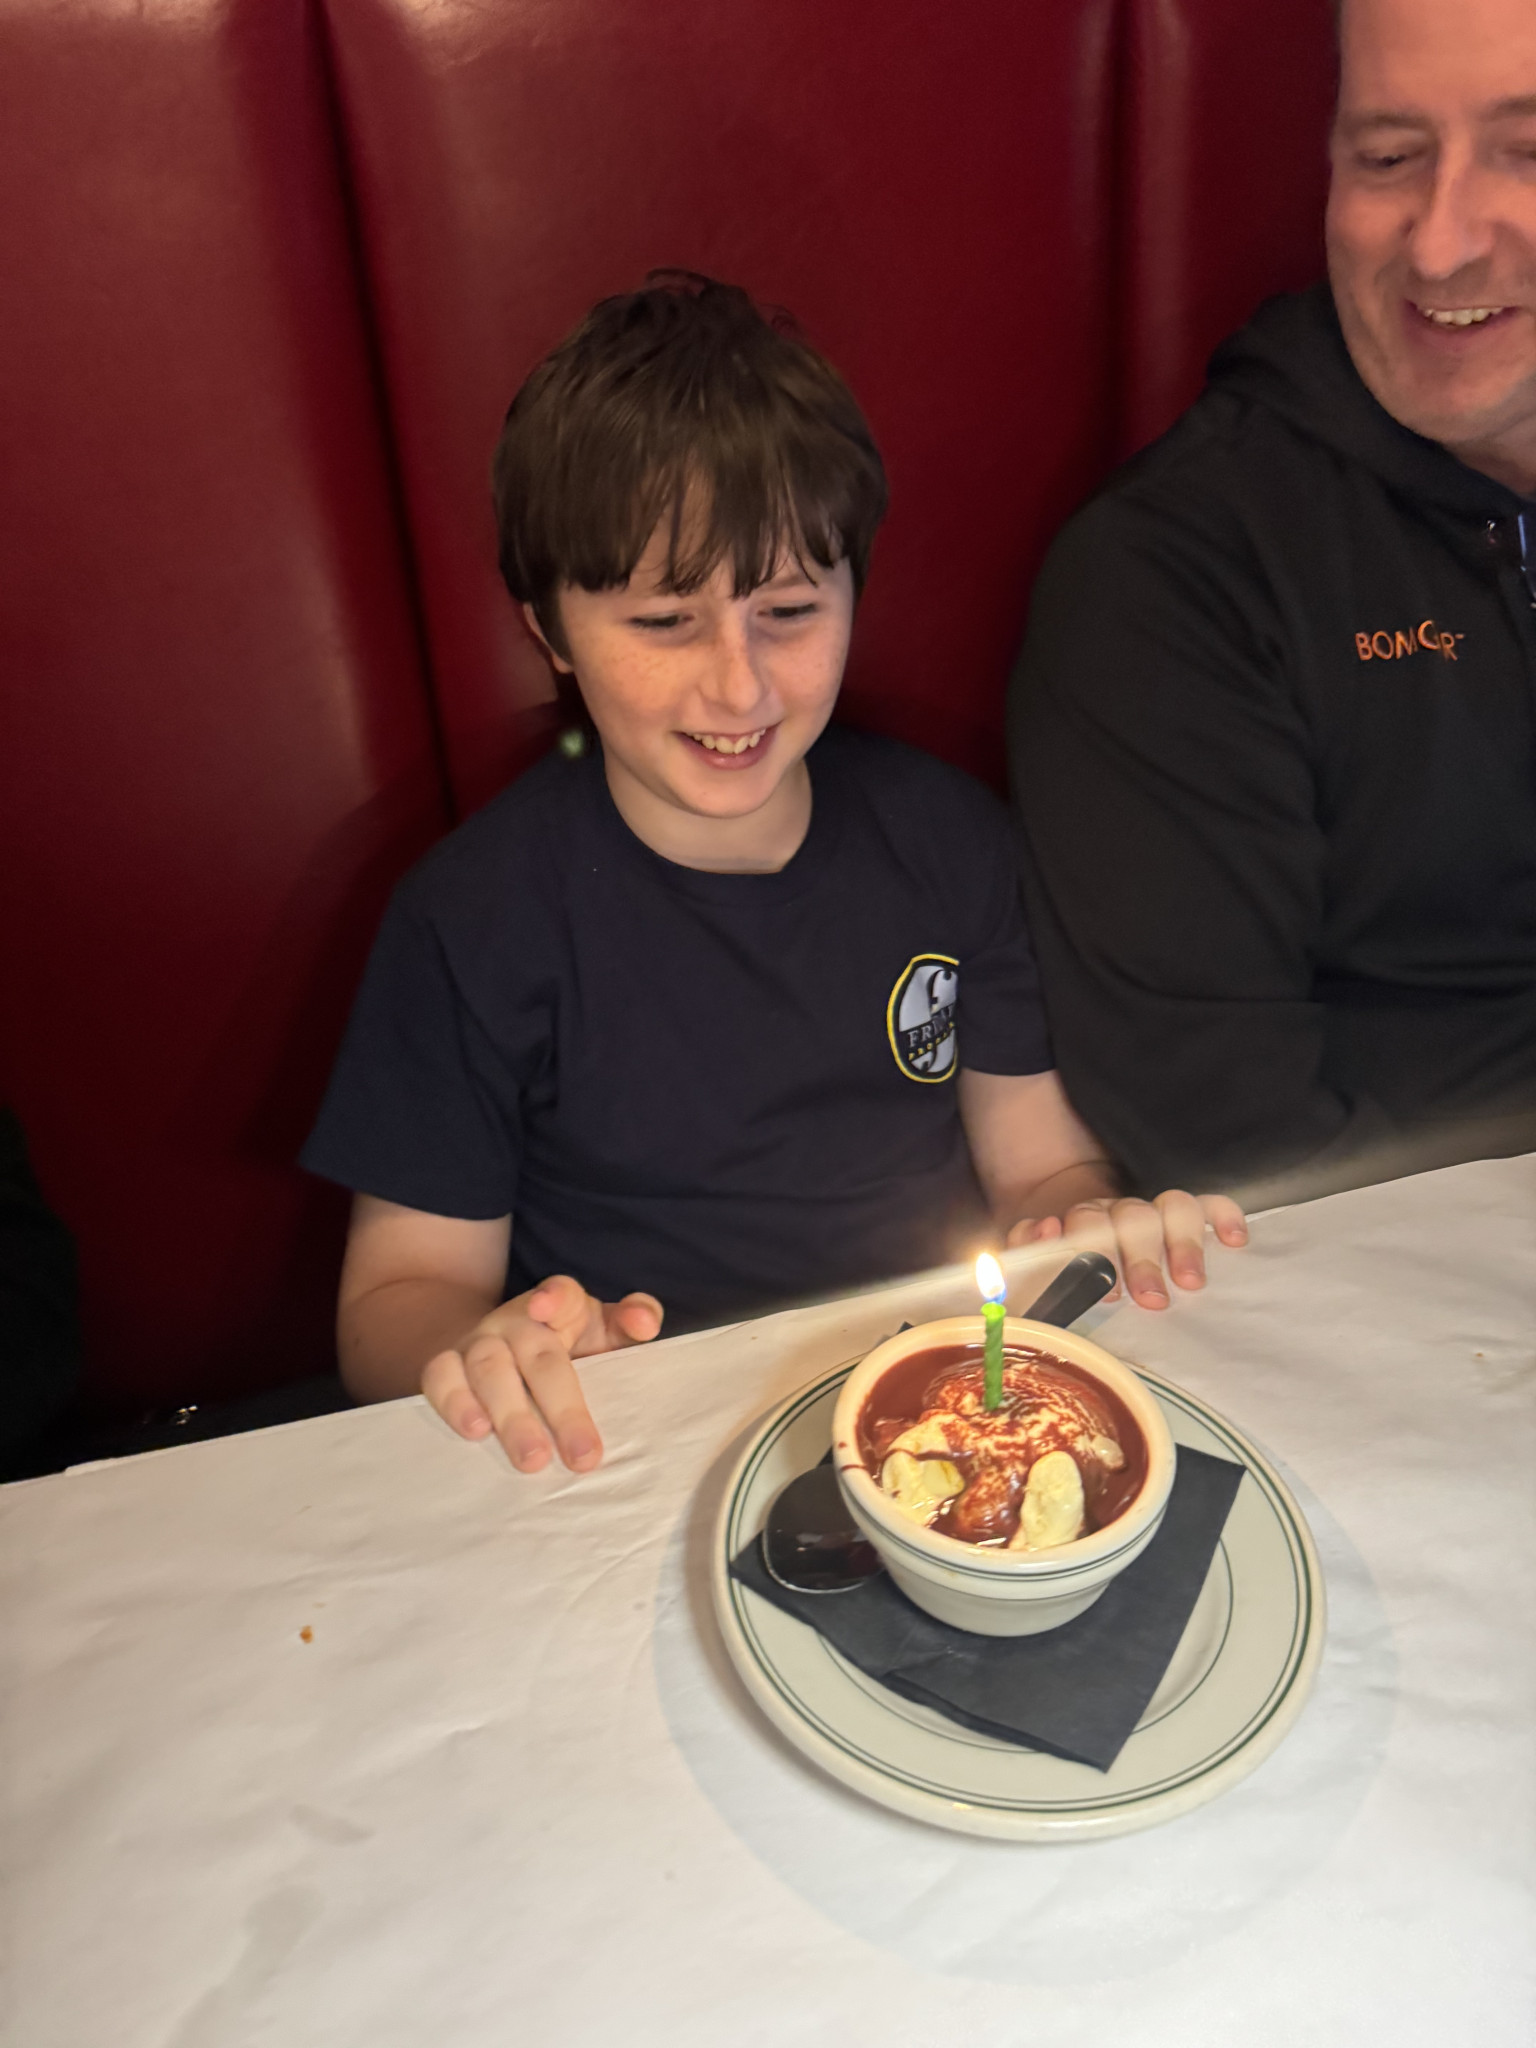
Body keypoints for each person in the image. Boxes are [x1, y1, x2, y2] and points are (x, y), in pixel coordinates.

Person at [303, 275, 1245, 1475]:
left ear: (855, 589)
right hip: (629, 1433)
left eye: (789, 609)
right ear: (548, 630)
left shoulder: (951, 841)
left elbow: (1039, 1163)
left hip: (934, 1404)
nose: (738, 684)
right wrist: (490, 1348)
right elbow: (395, 1297)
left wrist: (1085, 1218)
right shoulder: (473, 916)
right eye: (663, 623)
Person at [1008, 0, 1536, 1204]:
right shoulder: (1174, 578)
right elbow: (1236, 1142)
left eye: (1527, 151)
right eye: (1389, 157)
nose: (1441, 246)